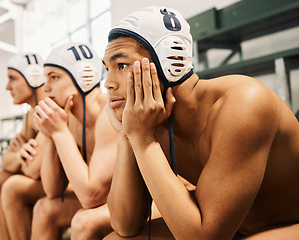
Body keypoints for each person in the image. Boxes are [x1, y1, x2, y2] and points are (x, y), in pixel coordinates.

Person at [103, 6, 299, 240]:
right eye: (107, 69)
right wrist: (128, 136)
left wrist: (144, 141)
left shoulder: (244, 102)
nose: (108, 84)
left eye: (121, 65)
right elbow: (125, 224)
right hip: (234, 226)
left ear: (171, 61)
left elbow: (204, 238)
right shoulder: (150, 120)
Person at [31, 42, 118, 240]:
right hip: (108, 200)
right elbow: (52, 190)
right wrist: (50, 134)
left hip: (145, 200)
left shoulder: (109, 111)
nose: (45, 87)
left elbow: (91, 196)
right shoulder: (67, 117)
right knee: (44, 208)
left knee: (84, 221)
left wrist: (60, 132)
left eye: (54, 77)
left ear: (84, 77)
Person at [0, 53, 47, 240]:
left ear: (34, 77)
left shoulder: (50, 108)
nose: (7, 87)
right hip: (46, 182)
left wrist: (19, 157)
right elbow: (6, 161)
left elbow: (32, 171)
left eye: (13, 78)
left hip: (67, 186)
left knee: (12, 186)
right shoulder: (31, 115)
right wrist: (21, 154)